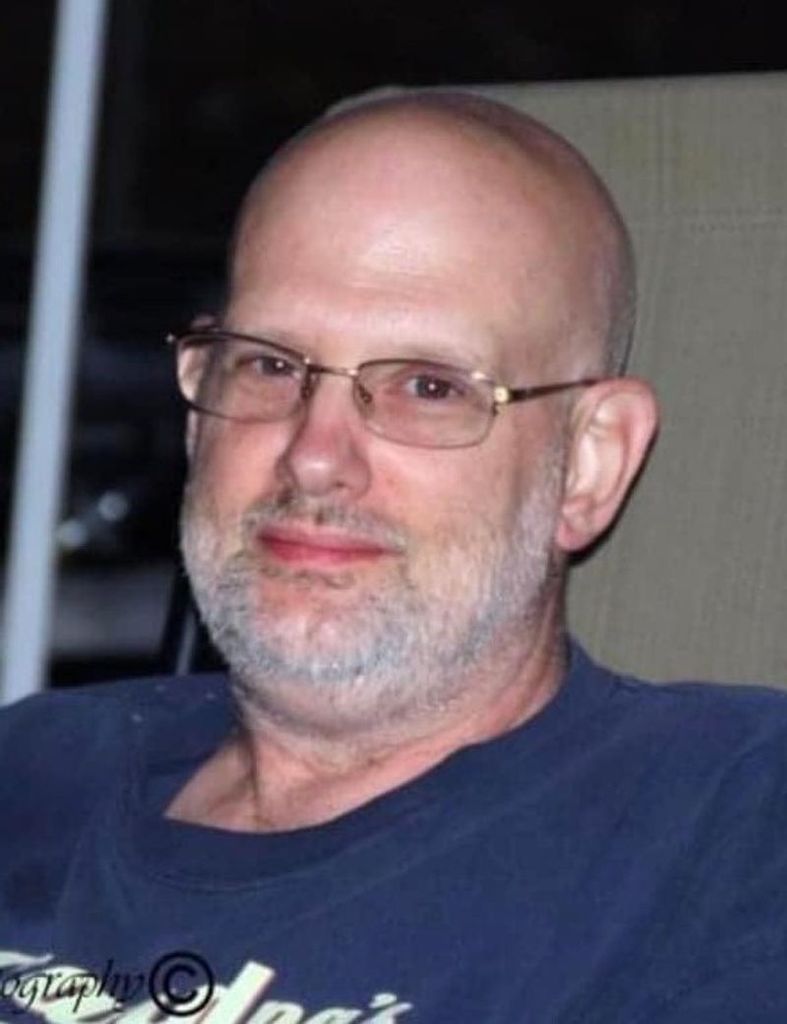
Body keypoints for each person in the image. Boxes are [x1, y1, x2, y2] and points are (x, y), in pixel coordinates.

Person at [1, 90, 786, 1024]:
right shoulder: (34, 771)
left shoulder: (732, 828)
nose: (313, 456)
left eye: (428, 385)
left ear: (589, 462)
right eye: (269, 364)